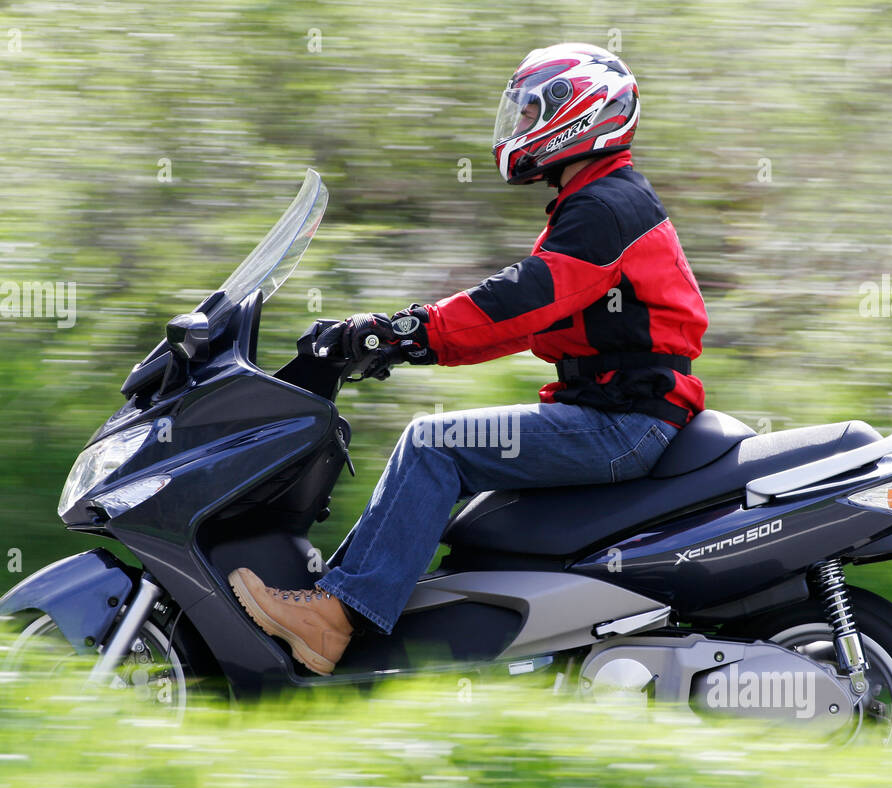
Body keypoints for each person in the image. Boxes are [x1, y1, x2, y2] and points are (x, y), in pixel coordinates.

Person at [229, 42, 709, 675]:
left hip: (622, 421)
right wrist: (407, 339)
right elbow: (520, 316)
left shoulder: (605, 208)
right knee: (444, 444)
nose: (523, 125)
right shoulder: (602, 201)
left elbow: (520, 302)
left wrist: (401, 332)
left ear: (584, 113)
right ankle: (346, 602)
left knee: (434, 444)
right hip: (615, 408)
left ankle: (335, 618)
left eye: (537, 109)